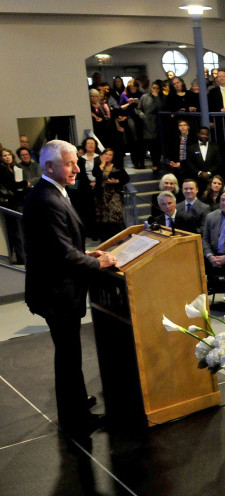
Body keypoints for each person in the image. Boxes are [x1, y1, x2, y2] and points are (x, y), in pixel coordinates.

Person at [23, 140, 117, 440]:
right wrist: (98, 265)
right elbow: (62, 254)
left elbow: (62, 246)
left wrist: (87, 255)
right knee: (68, 354)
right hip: (56, 294)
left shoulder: (53, 192)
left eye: (76, 161)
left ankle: (74, 402)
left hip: (58, 290)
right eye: (70, 163)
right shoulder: (46, 200)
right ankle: (76, 417)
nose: (77, 168)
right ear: (50, 167)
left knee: (69, 353)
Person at [92, 148, 129, 240]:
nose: (108, 156)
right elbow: (95, 174)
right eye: (106, 154)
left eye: (110, 155)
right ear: (102, 155)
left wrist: (117, 181)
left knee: (116, 215)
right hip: (102, 195)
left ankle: (120, 237)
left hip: (114, 194)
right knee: (105, 217)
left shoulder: (117, 166)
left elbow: (126, 178)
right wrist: (103, 164)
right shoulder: (98, 166)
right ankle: (107, 239)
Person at [136, 81, 164, 172]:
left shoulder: (160, 97)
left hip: (156, 123)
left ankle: (156, 163)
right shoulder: (144, 97)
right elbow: (138, 108)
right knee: (149, 144)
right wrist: (141, 115)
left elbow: (161, 108)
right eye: (153, 87)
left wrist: (156, 97)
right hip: (145, 122)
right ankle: (149, 162)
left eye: (157, 88)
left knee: (156, 145)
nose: (154, 89)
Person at [185, 126, 223, 193]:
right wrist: (199, 173)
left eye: (206, 134)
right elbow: (189, 163)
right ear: (198, 134)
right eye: (202, 134)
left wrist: (209, 173)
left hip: (211, 179)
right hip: (196, 180)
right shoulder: (191, 148)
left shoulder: (215, 147)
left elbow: (218, 162)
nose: (204, 136)